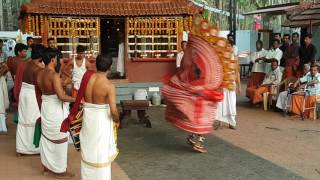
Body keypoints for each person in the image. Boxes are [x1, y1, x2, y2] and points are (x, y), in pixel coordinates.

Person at [80, 55, 119, 180]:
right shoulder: (108, 85)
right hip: (101, 119)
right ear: (110, 67)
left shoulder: (87, 79)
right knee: (101, 152)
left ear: (96, 65)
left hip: (88, 117)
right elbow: (113, 111)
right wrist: (117, 120)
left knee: (89, 147)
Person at [37, 49, 75, 178]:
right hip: (55, 109)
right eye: (58, 59)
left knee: (47, 138)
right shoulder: (53, 75)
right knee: (60, 138)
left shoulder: (39, 73)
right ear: (53, 59)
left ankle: (47, 168)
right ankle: (60, 171)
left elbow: (41, 92)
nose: (59, 61)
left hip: (46, 107)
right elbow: (61, 97)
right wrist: (78, 100)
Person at [15, 44, 45, 156]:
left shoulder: (26, 64)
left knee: (23, 121)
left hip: (24, 92)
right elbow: (40, 84)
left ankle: (21, 148)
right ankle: (34, 148)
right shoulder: (39, 68)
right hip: (32, 94)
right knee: (34, 120)